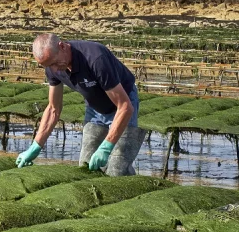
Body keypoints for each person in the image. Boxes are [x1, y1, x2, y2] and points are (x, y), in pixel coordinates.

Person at [15, 33, 146, 176]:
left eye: (54, 63)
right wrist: (35, 146)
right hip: (95, 110)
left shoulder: (95, 58)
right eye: (48, 66)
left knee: (117, 168)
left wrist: (106, 147)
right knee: (86, 165)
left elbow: (125, 106)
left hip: (122, 106)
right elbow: (54, 108)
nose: (54, 70)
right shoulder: (53, 67)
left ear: (62, 46)